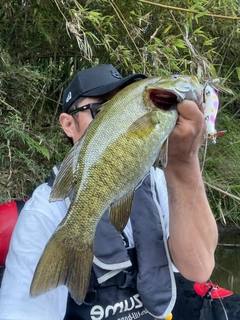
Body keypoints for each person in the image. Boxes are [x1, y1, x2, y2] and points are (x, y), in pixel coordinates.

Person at [0, 64, 218, 320]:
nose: (122, 120)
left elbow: (199, 268)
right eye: (101, 110)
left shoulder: (158, 183)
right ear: (68, 125)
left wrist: (184, 161)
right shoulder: (45, 213)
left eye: (124, 106)